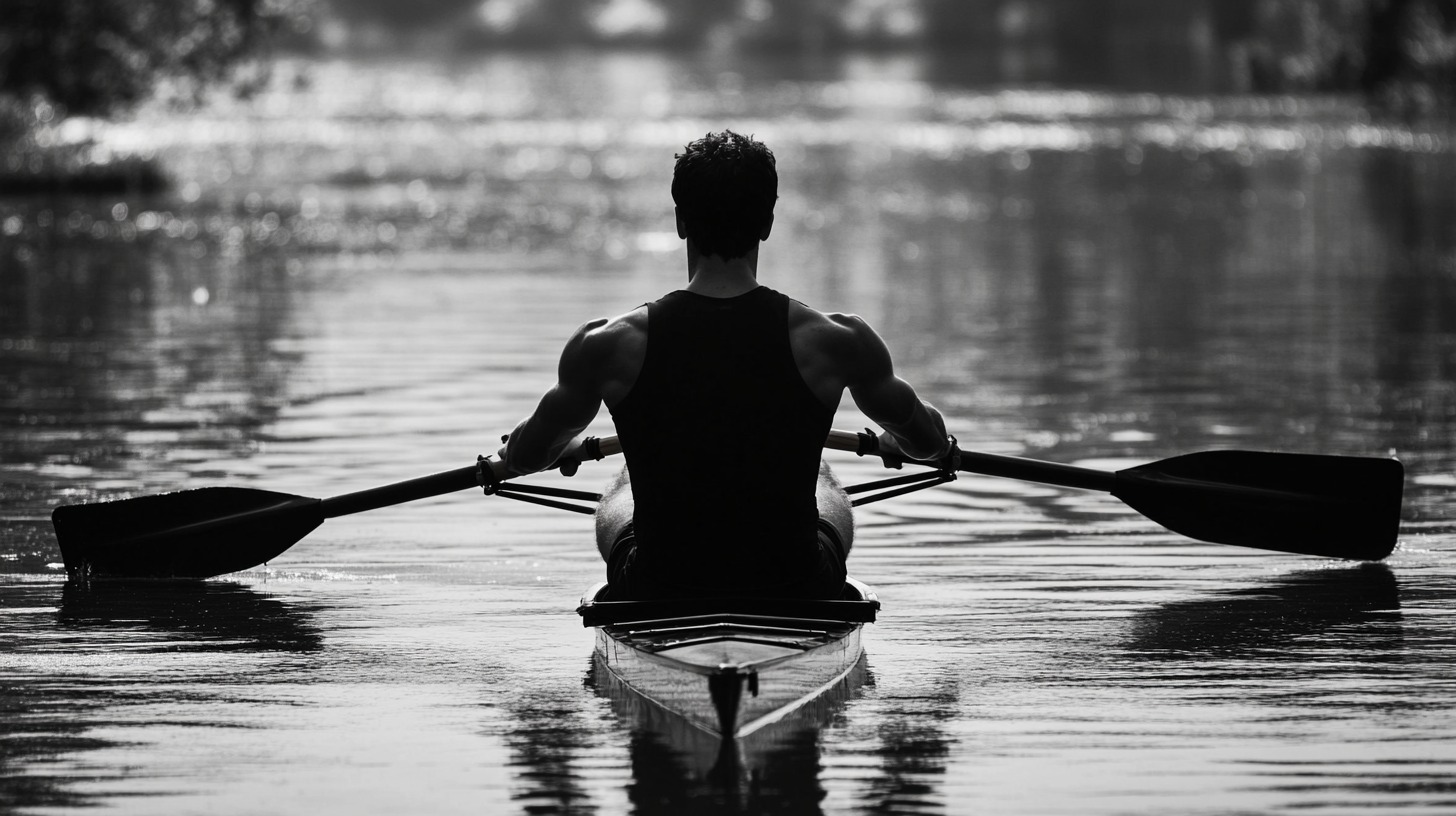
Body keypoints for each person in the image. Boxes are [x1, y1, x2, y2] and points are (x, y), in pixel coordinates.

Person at [495, 130, 952, 600]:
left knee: (628, 478)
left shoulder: (607, 344)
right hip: (796, 586)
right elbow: (932, 444)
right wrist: (902, 439)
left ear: (680, 221)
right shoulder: (837, 340)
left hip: (659, 587)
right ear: (767, 222)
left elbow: (528, 456)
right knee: (819, 475)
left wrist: (536, 449)